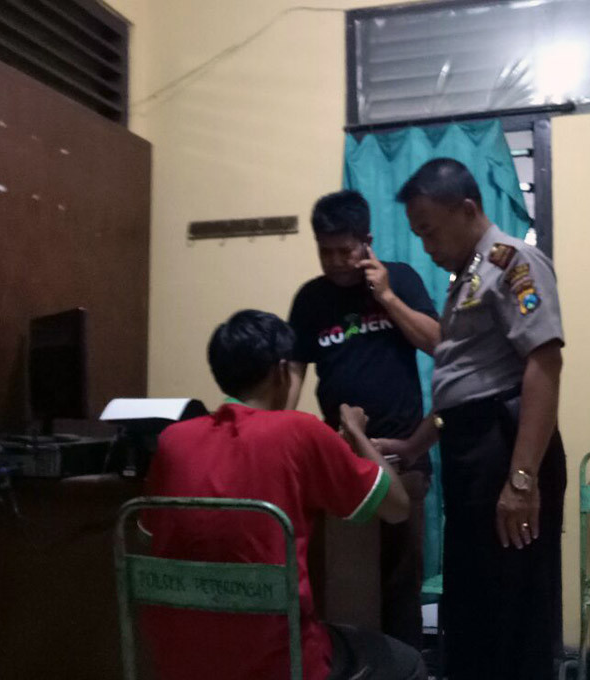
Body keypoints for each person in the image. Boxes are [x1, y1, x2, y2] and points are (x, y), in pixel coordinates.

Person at [140, 310, 427, 680]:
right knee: (409, 663)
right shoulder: (299, 431)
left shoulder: (173, 440)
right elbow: (398, 507)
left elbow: (148, 533)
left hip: (178, 663)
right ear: (280, 371)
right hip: (280, 662)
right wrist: (355, 431)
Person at [378, 158, 567, 680]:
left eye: (430, 231)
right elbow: (462, 389)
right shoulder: (468, 277)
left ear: (466, 210)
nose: (425, 247)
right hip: (474, 450)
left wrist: (522, 481)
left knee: (512, 602)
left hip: (504, 450)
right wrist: (413, 446)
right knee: (476, 598)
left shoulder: (515, 263)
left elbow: (544, 364)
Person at [286, 190, 440, 650]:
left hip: (402, 456)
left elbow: (438, 343)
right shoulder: (310, 299)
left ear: (366, 241)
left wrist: (386, 296)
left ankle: (406, 667)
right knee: (340, 580)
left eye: (345, 250)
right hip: (339, 458)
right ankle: (351, 664)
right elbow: (294, 372)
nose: (335, 262)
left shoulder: (401, 278)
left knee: (400, 578)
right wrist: (275, 430)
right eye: (325, 251)